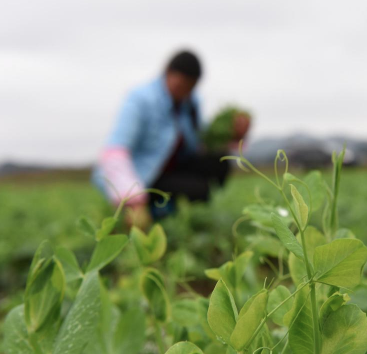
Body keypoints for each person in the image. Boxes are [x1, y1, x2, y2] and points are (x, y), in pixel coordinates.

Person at [92, 50, 250, 228]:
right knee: (196, 190)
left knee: (219, 162)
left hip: (172, 171)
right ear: (167, 73)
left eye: (190, 88)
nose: (184, 92)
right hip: (144, 176)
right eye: (180, 86)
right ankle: (153, 215)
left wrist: (234, 135)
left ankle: (176, 219)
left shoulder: (190, 102)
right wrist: (133, 198)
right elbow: (115, 151)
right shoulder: (140, 99)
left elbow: (201, 145)